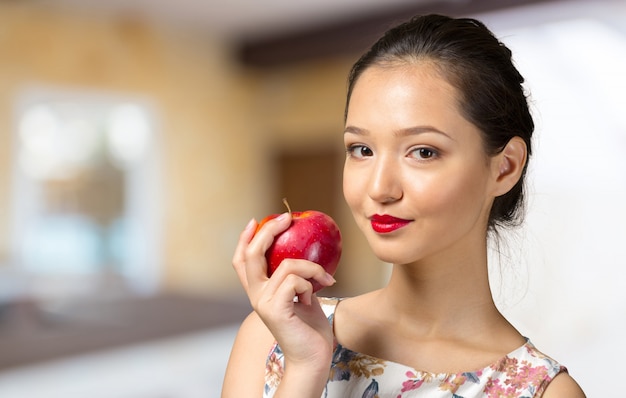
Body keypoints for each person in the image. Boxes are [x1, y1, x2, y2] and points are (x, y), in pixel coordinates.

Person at [222, 14, 586, 397]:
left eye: (423, 152)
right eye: (361, 150)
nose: (379, 188)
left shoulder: (543, 391)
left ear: (504, 167)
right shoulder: (272, 338)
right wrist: (305, 367)